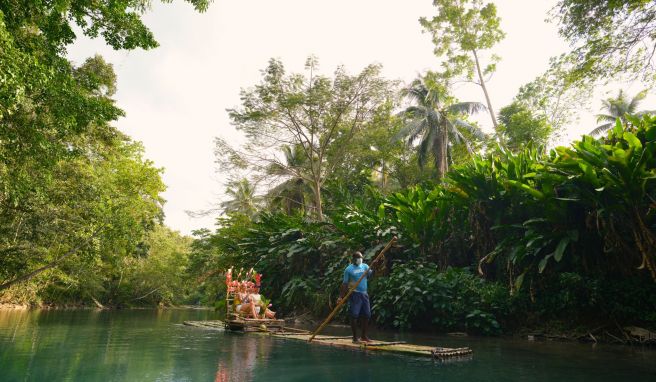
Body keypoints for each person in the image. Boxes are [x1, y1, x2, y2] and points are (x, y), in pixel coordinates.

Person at [338, 251, 373, 343]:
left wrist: (375, 266)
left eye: (361, 258)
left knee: (367, 315)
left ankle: (364, 336)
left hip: (364, 294)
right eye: (358, 258)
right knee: (354, 315)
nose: (360, 260)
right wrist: (341, 297)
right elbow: (345, 284)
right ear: (353, 259)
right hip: (355, 294)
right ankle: (354, 337)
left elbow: (370, 275)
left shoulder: (365, 266)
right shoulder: (348, 269)